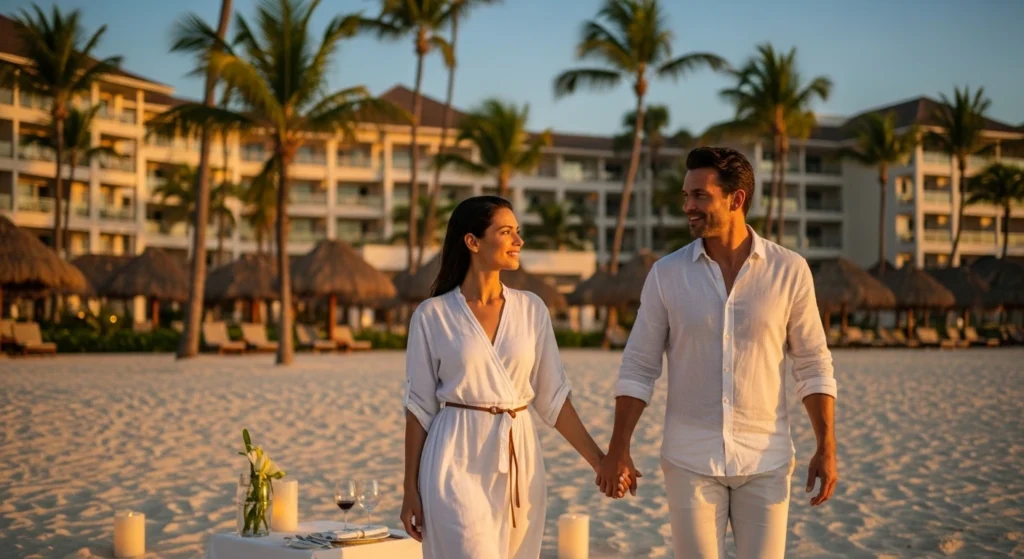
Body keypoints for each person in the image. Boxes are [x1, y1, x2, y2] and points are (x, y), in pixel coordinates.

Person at [598, 147, 839, 559]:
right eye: (686, 196)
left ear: (736, 199)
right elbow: (639, 366)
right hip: (690, 460)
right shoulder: (666, 274)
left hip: (767, 460)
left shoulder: (790, 270)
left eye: (700, 196)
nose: (688, 206)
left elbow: (813, 364)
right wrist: (619, 446)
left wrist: (827, 445)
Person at [401, 195, 625, 559]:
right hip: (455, 454)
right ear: (472, 242)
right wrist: (410, 489)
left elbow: (552, 399)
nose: (518, 241)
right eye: (506, 232)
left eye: (517, 232)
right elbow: (419, 408)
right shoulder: (433, 315)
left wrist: (600, 461)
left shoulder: (531, 309)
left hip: (519, 454)